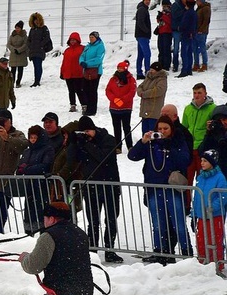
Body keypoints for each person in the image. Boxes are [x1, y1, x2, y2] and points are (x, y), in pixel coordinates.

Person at [128, 115, 193, 263]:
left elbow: (185, 160)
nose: (162, 131)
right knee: (158, 223)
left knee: (179, 223)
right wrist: (143, 141)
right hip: (153, 188)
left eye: (166, 128)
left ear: (172, 129)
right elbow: (133, 156)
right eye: (160, 129)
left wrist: (169, 145)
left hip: (172, 189)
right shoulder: (151, 143)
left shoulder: (178, 141)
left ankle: (186, 252)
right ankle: (160, 252)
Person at [72, 116, 123, 263]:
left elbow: (103, 157)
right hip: (91, 186)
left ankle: (109, 250)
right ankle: (92, 250)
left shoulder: (108, 139)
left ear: (94, 129)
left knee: (111, 219)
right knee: (93, 221)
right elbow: (76, 158)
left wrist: (87, 144)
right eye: (83, 132)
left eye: (88, 131)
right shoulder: (83, 142)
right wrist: (75, 143)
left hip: (109, 186)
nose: (86, 134)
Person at [16, 125, 55, 235]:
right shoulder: (28, 151)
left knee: (41, 213)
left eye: (35, 137)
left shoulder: (47, 149)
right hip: (29, 187)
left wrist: (27, 169)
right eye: (31, 137)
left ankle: (44, 235)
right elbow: (21, 164)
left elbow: (45, 166)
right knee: (29, 213)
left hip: (42, 187)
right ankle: (28, 235)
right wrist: (20, 169)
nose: (32, 140)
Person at [193, 149, 226, 272]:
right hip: (201, 214)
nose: (202, 163)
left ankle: (217, 263)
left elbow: (223, 196)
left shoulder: (219, 177)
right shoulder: (201, 176)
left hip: (214, 215)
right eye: (201, 160)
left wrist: (213, 207)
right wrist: (194, 211)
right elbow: (197, 195)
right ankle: (202, 262)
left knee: (215, 240)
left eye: (205, 161)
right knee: (201, 239)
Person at [105, 60, 138, 153]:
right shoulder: (113, 79)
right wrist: (114, 99)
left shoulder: (131, 79)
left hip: (126, 108)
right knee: (116, 127)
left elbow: (132, 92)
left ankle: (129, 145)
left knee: (126, 127)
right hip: (114, 108)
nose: (119, 70)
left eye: (121, 68)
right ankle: (118, 146)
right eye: (118, 68)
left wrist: (122, 100)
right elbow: (108, 90)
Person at [78, 31, 105, 117]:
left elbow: (98, 59)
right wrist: (81, 62)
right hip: (86, 71)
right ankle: (88, 107)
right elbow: (82, 56)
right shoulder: (88, 46)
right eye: (90, 37)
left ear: (96, 38)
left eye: (92, 37)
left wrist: (87, 63)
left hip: (95, 71)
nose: (91, 39)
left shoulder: (100, 46)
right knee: (85, 89)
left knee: (92, 91)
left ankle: (92, 109)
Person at [137, 62, 168, 133]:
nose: (151, 71)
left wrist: (144, 94)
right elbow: (140, 87)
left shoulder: (162, 79)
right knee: (145, 132)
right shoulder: (148, 77)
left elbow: (159, 90)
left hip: (154, 112)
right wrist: (140, 93)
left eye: (153, 70)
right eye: (150, 69)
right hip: (145, 110)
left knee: (153, 133)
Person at [60, 32, 84, 113]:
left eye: (74, 40)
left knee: (79, 90)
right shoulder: (67, 50)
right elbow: (64, 62)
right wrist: (62, 72)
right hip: (68, 73)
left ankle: (83, 104)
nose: (72, 41)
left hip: (78, 73)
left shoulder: (82, 49)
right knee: (71, 91)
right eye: (71, 40)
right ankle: (72, 105)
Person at [27, 12, 52, 87]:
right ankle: (36, 80)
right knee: (36, 66)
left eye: (37, 19)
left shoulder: (44, 28)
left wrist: (41, 45)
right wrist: (30, 45)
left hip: (40, 50)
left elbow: (47, 37)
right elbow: (29, 39)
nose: (36, 21)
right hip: (33, 50)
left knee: (38, 65)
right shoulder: (32, 29)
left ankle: (37, 81)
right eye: (34, 20)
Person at [176, 0, 196, 78]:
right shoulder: (194, 13)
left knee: (184, 53)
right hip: (191, 35)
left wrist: (179, 28)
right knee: (189, 53)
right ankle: (189, 70)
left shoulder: (187, 13)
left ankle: (184, 70)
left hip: (186, 34)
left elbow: (184, 24)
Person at [7, 21, 28, 88]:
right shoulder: (12, 35)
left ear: (21, 28)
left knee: (20, 69)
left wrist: (19, 50)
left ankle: (18, 82)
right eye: (16, 28)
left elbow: (25, 44)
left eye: (18, 28)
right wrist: (13, 49)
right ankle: (12, 82)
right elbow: (8, 44)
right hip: (13, 54)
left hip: (21, 55)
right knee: (13, 70)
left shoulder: (24, 36)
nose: (17, 29)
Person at [135, 0, 153, 79]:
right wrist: (147, 31)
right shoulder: (142, 9)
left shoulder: (142, 8)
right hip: (142, 35)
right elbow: (140, 22)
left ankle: (139, 72)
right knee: (147, 54)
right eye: (147, 0)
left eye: (149, 0)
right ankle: (147, 72)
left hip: (141, 35)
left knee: (141, 55)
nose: (148, 2)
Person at [155, 0, 173, 70]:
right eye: (163, 6)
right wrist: (159, 17)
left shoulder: (170, 13)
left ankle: (166, 65)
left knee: (166, 49)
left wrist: (163, 17)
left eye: (165, 6)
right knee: (160, 48)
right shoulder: (163, 13)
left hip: (167, 32)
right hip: (161, 32)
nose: (164, 7)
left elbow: (170, 22)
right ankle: (161, 64)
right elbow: (159, 21)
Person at [193, 0, 211, 72]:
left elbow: (206, 20)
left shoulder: (206, 8)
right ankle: (196, 64)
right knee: (195, 49)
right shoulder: (199, 8)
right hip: (196, 31)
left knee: (202, 48)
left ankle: (204, 64)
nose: (196, 2)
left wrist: (201, 29)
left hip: (201, 32)